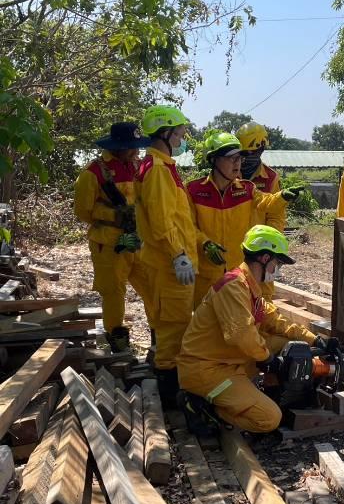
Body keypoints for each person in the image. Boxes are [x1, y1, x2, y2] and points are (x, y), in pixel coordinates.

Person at [177, 225, 321, 435]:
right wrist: (268, 360)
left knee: (286, 344)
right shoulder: (233, 287)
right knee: (269, 419)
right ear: (264, 258)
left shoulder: (249, 287)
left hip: (227, 358)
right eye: (278, 262)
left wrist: (314, 340)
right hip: (208, 370)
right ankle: (202, 407)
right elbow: (241, 334)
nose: (278, 269)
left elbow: (275, 320)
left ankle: (269, 393)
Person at [73, 122, 153, 353]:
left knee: (151, 286)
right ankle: (117, 342)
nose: (136, 152)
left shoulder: (137, 167)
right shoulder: (93, 172)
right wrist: (115, 215)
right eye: (131, 147)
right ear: (118, 146)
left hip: (138, 240)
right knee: (114, 293)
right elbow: (83, 211)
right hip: (108, 243)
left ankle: (159, 337)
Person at [136, 105, 196, 400]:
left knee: (174, 327)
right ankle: (170, 398)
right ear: (166, 133)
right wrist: (178, 254)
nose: (184, 136)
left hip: (170, 263)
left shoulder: (162, 167)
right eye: (180, 131)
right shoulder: (158, 171)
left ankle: (170, 387)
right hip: (169, 265)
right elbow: (161, 222)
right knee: (173, 331)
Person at [187, 132, 287, 306]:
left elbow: (267, 202)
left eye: (239, 158)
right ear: (214, 160)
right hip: (206, 274)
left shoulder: (247, 189)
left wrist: (283, 196)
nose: (238, 163)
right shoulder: (194, 190)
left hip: (238, 273)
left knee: (241, 322)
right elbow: (188, 225)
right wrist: (205, 243)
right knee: (206, 324)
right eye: (231, 158)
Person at [234, 121, 305, 302]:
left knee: (262, 301)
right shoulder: (229, 174)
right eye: (242, 154)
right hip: (232, 249)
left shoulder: (270, 178)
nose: (245, 159)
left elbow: (276, 218)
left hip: (259, 253)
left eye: (249, 153)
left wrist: (272, 256)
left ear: (260, 149)